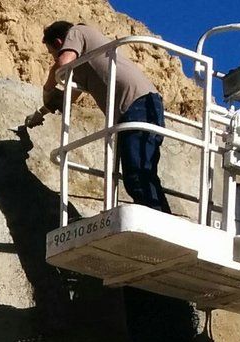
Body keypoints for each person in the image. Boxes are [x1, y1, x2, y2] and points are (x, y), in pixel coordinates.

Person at [22, 21, 171, 214]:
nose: (54, 56)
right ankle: (161, 219)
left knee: (137, 174)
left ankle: (159, 224)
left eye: (52, 52)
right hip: (139, 106)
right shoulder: (87, 62)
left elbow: (62, 64)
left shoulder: (77, 31)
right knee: (140, 173)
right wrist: (39, 114)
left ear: (60, 42)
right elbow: (66, 99)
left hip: (137, 105)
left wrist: (47, 87)